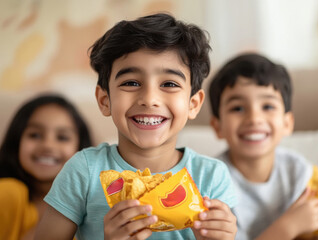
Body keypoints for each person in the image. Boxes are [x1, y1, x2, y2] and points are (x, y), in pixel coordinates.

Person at [34, 13, 238, 240]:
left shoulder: (210, 176)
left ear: (193, 104)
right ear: (105, 100)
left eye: (169, 84)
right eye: (131, 83)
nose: (149, 98)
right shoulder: (83, 171)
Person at [208, 53, 318, 240]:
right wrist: (288, 226)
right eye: (238, 108)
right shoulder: (211, 183)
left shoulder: (298, 170)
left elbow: (314, 235)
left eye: (268, 106)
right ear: (217, 126)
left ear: (287, 123)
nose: (254, 118)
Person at [0, 94, 92, 240]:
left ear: (81, 149)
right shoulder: (8, 193)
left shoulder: (91, 210)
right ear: (16, 140)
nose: (48, 145)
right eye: (35, 135)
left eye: (62, 137)